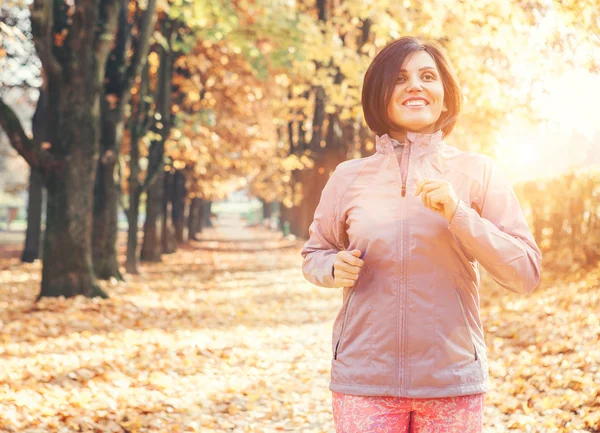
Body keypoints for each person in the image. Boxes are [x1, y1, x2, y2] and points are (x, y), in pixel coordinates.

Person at [300, 36, 542, 433]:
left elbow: (525, 272)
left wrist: (459, 214)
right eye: (399, 78)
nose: (414, 85)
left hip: (453, 381)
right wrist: (331, 267)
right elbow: (315, 254)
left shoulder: (478, 172)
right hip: (364, 381)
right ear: (380, 97)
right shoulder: (348, 177)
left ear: (446, 97)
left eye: (427, 76)